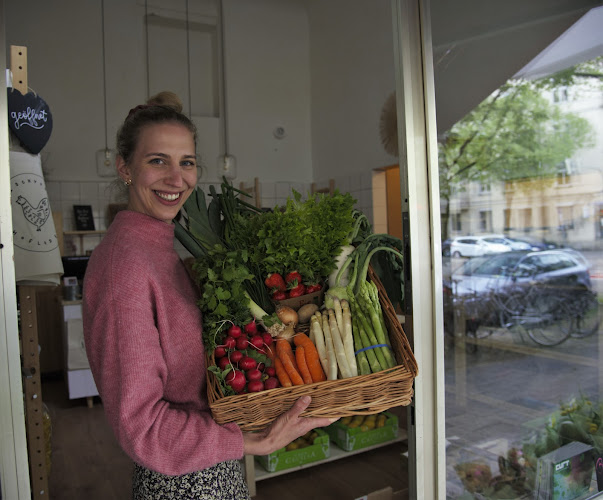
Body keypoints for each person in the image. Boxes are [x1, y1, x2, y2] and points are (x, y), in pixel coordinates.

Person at [82, 91, 337, 500]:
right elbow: (140, 426)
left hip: (209, 468)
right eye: (157, 160)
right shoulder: (124, 268)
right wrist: (252, 442)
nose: (176, 178)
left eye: (186, 162)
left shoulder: (157, 250)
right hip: (181, 485)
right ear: (124, 168)